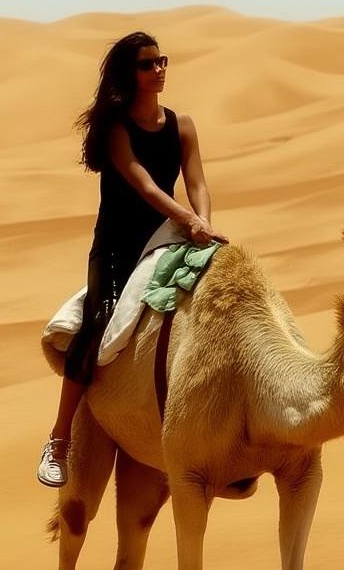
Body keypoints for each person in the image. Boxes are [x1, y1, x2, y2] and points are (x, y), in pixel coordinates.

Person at [37, 31, 227, 487]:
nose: (158, 69)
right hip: (118, 249)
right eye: (147, 64)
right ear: (131, 72)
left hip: (169, 238)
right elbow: (144, 185)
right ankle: (59, 438)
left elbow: (197, 181)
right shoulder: (118, 130)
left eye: (161, 61)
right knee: (98, 324)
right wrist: (190, 220)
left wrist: (202, 221)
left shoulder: (182, 125)